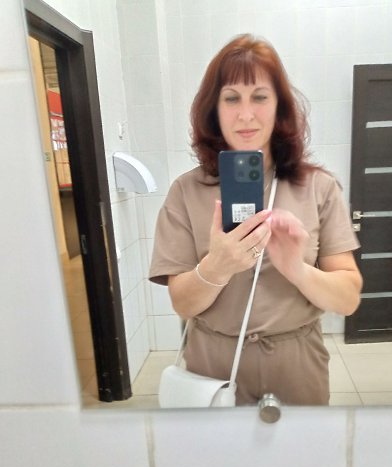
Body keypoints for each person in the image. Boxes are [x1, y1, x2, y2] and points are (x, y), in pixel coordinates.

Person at [149, 34, 362, 406]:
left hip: (297, 367)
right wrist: (216, 266)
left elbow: (348, 300)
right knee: (218, 447)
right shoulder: (185, 192)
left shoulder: (318, 187)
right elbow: (182, 304)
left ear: (279, 107)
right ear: (214, 109)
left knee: (301, 446)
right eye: (232, 98)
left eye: (260, 97)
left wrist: (296, 269)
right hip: (212, 370)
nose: (246, 114)